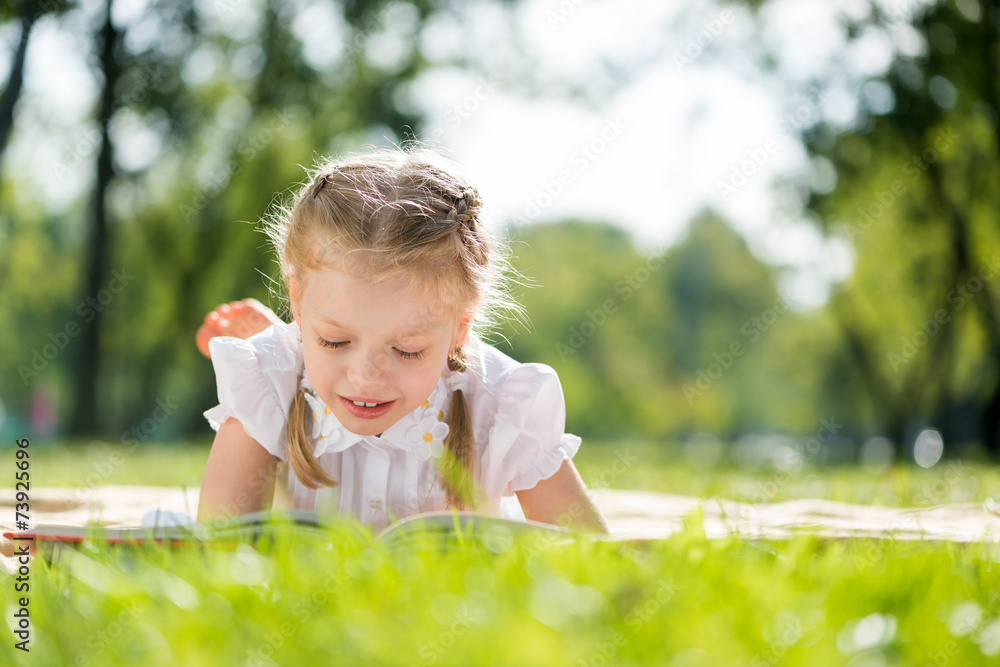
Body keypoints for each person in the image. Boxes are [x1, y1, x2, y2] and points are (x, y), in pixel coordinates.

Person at [196, 147, 608, 534]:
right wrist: (268, 368)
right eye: (335, 340)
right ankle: (279, 338)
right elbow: (217, 546)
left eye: (407, 349)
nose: (366, 377)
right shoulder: (265, 382)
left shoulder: (503, 404)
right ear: (298, 304)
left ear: (460, 329)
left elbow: (590, 555)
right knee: (277, 362)